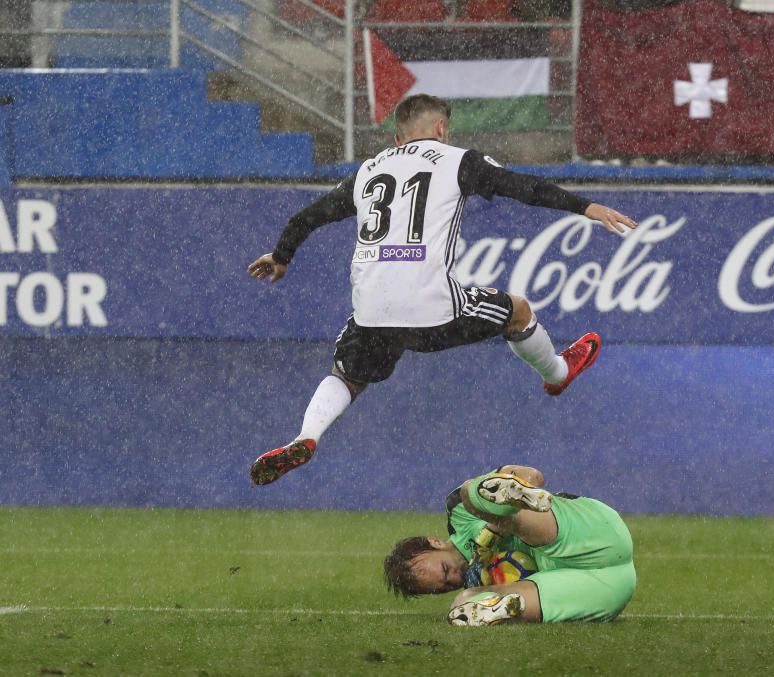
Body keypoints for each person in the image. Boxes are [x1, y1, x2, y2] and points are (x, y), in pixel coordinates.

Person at [247, 94, 637, 486]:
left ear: (397, 139)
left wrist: (281, 256)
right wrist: (586, 208)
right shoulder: (458, 161)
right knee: (517, 310)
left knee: (348, 375)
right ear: (441, 129)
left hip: (372, 310)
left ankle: (307, 436)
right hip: (432, 310)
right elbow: (525, 188)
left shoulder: (367, 170)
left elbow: (308, 217)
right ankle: (557, 372)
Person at [383, 466, 636, 625]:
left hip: (588, 534)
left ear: (435, 542)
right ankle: (507, 607)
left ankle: (513, 495)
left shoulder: (459, 514)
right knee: (461, 606)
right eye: (444, 587)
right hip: (610, 585)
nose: (454, 579)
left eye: (445, 570)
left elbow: (535, 475)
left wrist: (494, 527)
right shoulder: (475, 582)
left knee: (473, 496)